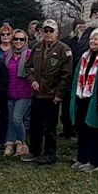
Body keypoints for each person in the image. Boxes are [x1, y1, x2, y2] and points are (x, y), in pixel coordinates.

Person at [24, 19, 74, 165]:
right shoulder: (37, 48)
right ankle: (35, 151)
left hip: (52, 95)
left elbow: (66, 75)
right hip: (37, 93)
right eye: (45, 30)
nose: (47, 33)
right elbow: (28, 67)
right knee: (35, 125)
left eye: (50, 31)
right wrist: (32, 80)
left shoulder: (64, 50)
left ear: (57, 33)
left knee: (50, 126)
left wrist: (59, 94)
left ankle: (49, 154)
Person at [69, 27, 98, 172]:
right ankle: (82, 158)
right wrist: (74, 93)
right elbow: (76, 76)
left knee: (96, 130)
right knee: (82, 129)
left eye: (97, 38)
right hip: (82, 97)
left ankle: (96, 161)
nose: (92, 41)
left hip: (96, 98)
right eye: (92, 38)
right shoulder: (84, 56)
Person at [4, 29, 33, 157]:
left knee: (17, 118)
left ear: (25, 41)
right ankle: (10, 143)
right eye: (16, 39)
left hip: (24, 92)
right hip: (10, 91)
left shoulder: (29, 55)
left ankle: (21, 143)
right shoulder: (7, 55)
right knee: (10, 119)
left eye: (21, 39)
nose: (18, 41)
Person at [59, 18, 88, 139]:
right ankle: (67, 129)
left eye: (83, 26)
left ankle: (76, 130)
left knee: (78, 106)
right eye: (79, 26)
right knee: (66, 106)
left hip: (82, 79)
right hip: (68, 77)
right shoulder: (67, 42)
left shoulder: (88, 43)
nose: (82, 28)